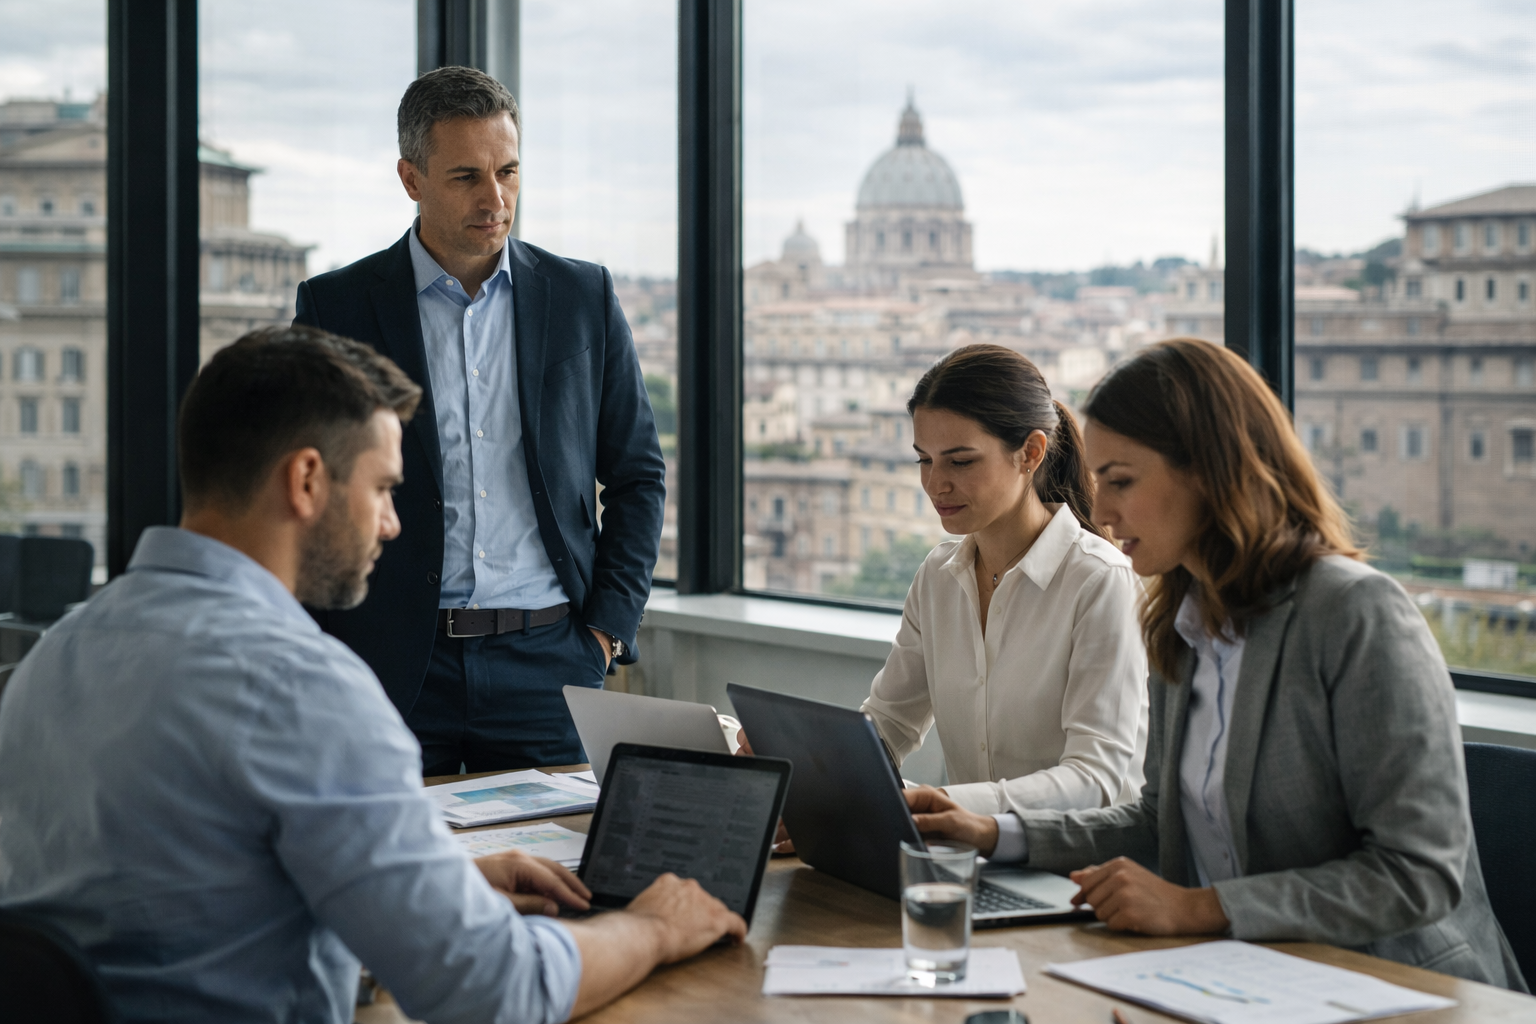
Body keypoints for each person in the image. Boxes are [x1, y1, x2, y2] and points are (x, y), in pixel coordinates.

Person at [0, 326, 742, 1024]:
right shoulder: (298, 687)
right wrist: (651, 928)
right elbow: (494, 989)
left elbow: (181, 906)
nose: (391, 522)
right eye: (384, 488)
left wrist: (422, 889)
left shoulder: (57, 656)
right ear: (307, 480)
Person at [905, 338, 1527, 991]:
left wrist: (1200, 908)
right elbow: (1156, 822)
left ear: (1207, 471)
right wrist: (994, 834)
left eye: (1120, 481)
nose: (1103, 512)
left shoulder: (1357, 614)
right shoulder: (1181, 619)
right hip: (1239, 978)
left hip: (1388, 986)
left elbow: (1417, 875)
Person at [293, 65, 665, 772]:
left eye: (509, 171)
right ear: (411, 179)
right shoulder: (336, 307)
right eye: (466, 176)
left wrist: (606, 632)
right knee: (392, 876)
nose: (495, 199)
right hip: (392, 663)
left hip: (551, 662)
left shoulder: (582, 295)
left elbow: (638, 475)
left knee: (560, 875)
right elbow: (307, 488)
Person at [860, 344, 1148, 815]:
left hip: (1080, 873)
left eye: (960, 461)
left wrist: (946, 804)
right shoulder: (938, 575)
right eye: (924, 460)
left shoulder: (1099, 582)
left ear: (1030, 453)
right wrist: (812, 765)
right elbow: (890, 721)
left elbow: (1096, 779)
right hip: (972, 860)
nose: (935, 484)